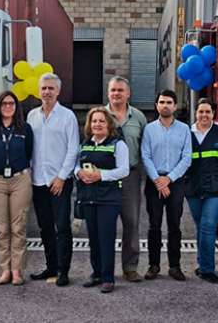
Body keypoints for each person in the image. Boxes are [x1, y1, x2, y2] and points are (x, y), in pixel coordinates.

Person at [26, 73, 79, 287]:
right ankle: (51, 266)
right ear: (39, 91)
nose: (47, 92)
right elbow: (29, 148)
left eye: (51, 88)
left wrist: (61, 177)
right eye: (44, 88)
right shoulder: (31, 116)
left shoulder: (68, 117)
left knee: (62, 227)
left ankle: (63, 270)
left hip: (60, 182)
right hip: (38, 180)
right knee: (45, 227)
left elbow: (73, 149)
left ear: (58, 91)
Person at [75, 107, 130, 293]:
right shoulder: (84, 144)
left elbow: (124, 170)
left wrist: (101, 175)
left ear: (109, 124)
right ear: (89, 125)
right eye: (94, 121)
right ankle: (96, 273)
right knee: (93, 238)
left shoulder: (117, 144)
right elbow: (76, 165)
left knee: (106, 238)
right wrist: (79, 173)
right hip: (89, 197)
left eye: (101, 121)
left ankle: (108, 278)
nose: (97, 124)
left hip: (109, 198)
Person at [0, 91, 34, 286]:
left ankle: (17, 270)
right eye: (4, 103)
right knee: (2, 229)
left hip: (19, 180)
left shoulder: (25, 129)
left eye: (11, 103)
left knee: (18, 227)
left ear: (16, 106)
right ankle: (4, 269)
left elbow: (29, 152)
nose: (8, 107)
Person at [141, 89, 192, 281]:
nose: (165, 105)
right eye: (162, 102)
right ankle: (153, 265)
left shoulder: (184, 129)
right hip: (154, 181)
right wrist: (158, 181)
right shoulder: (149, 129)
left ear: (175, 106)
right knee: (154, 226)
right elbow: (145, 156)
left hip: (175, 182)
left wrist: (169, 179)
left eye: (169, 102)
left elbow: (187, 158)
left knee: (174, 226)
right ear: (157, 105)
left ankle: (174, 266)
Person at [185, 98, 218, 284]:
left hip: (216, 188)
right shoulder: (186, 133)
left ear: (213, 114)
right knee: (201, 227)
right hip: (193, 187)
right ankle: (201, 263)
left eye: (208, 112)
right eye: (201, 112)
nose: (204, 115)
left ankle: (207, 268)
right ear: (196, 113)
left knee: (208, 225)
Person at [105, 76, 148, 282]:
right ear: (108, 93)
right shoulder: (99, 115)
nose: (116, 94)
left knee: (131, 222)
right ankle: (104, 269)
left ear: (128, 93)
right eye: (113, 90)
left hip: (130, 176)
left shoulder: (138, 117)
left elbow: (145, 149)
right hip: (104, 178)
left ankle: (130, 267)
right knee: (106, 224)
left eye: (120, 90)